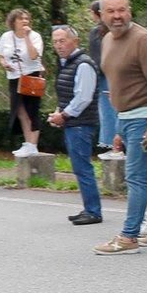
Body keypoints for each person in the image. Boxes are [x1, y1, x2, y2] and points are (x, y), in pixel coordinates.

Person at [92, 0, 147, 254]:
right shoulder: (107, 39)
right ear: (102, 15)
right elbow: (118, 85)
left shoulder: (143, 40)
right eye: (111, 11)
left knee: (136, 178)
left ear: (129, 10)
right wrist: (119, 127)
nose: (117, 16)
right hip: (126, 118)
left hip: (145, 118)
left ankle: (129, 237)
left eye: (122, 10)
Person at [45, 25, 102, 225]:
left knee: (83, 167)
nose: (58, 45)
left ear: (75, 41)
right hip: (75, 123)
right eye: (55, 42)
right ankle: (89, 208)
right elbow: (67, 94)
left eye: (62, 41)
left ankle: (93, 211)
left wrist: (64, 115)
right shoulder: (68, 63)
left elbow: (83, 97)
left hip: (81, 124)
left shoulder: (83, 64)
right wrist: (59, 112)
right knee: (80, 167)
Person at [0, 9, 45, 158]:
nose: (24, 21)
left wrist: (27, 37)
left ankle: (33, 145)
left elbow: (33, 55)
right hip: (14, 76)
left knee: (32, 110)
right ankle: (28, 143)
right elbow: (1, 55)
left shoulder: (35, 36)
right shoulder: (6, 37)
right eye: (20, 19)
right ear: (13, 22)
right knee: (20, 110)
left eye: (26, 19)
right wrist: (4, 63)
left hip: (31, 75)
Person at [88, 0, 119, 156]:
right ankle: (119, 146)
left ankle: (112, 146)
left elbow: (96, 58)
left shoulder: (96, 32)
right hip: (118, 75)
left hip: (104, 77)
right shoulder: (117, 31)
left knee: (107, 111)